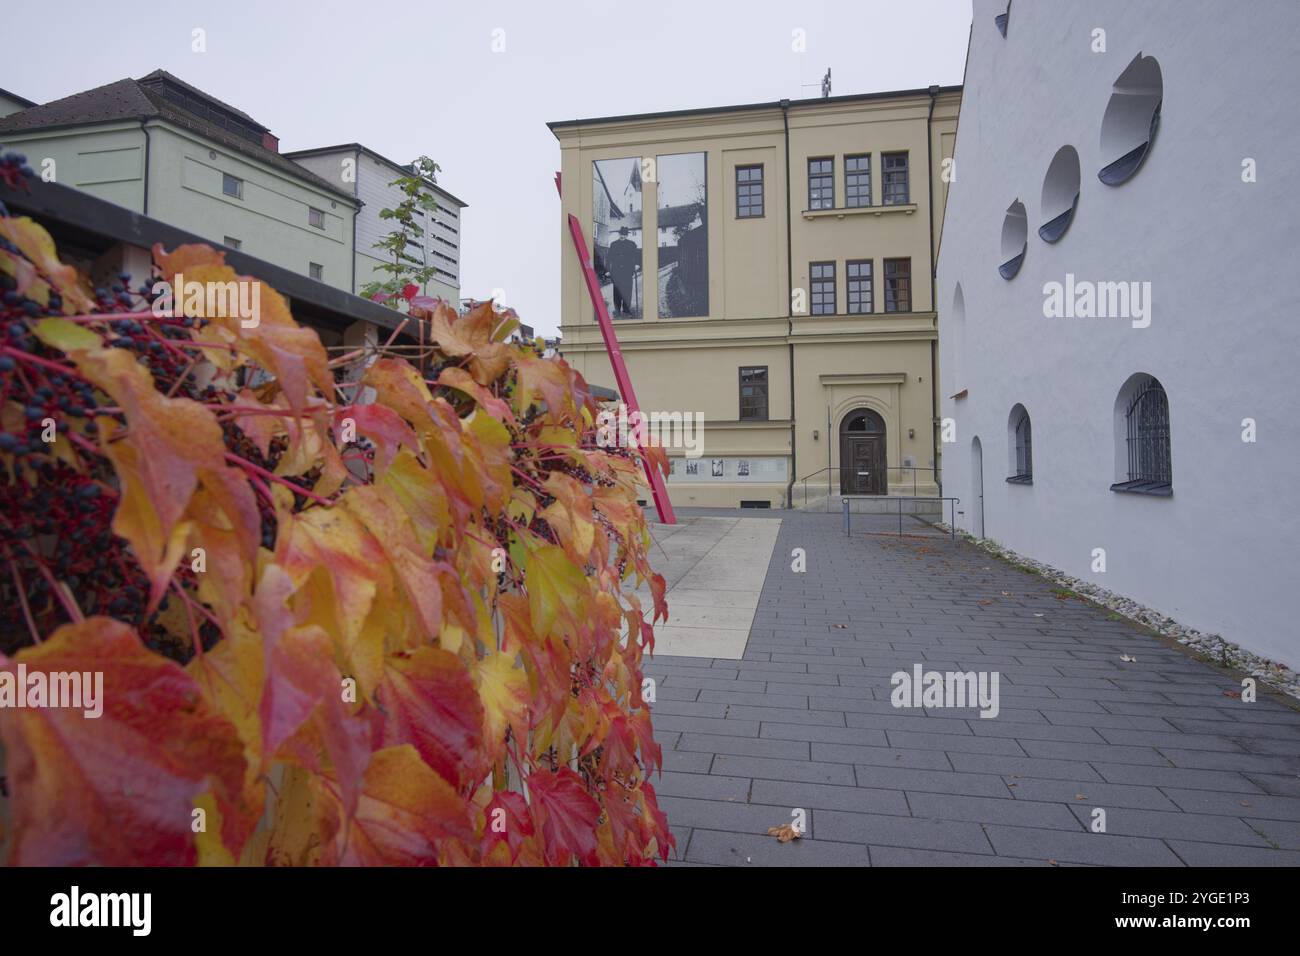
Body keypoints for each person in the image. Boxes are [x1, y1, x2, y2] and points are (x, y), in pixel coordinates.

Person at [607, 226, 638, 316]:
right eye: (621, 234)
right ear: (619, 234)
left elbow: (636, 255)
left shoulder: (632, 244)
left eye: (624, 235)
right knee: (617, 291)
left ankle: (626, 309)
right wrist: (608, 270)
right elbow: (609, 258)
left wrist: (637, 264)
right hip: (616, 272)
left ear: (627, 235)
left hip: (628, 271)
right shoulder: (613, 244)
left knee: (627, 290)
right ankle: (617, 310)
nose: (623, 236)